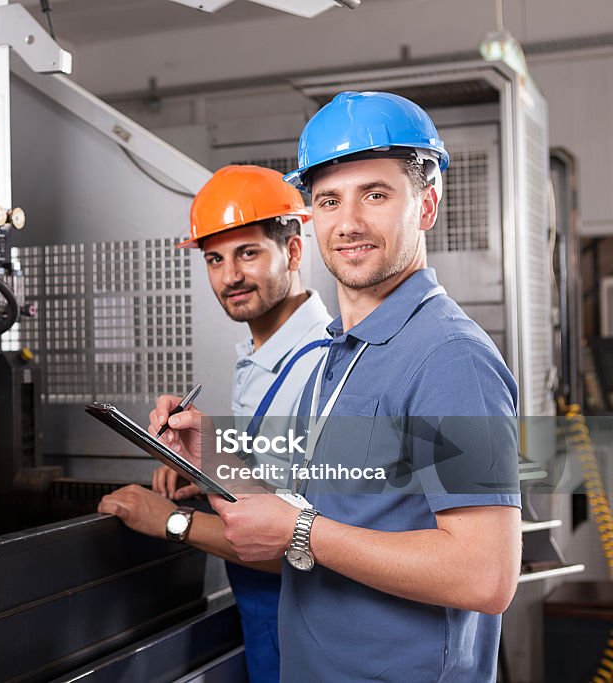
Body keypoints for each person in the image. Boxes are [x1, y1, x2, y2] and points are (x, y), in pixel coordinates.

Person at [162, 91, 522, 681]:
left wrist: (301, 531)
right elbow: (338, 511)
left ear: (426, 205)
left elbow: (484, 575)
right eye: (328, 200)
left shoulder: (449, 357)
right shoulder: (340, 353)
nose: (349, 222)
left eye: (375, 195)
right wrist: (209, 454)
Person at [97, 165, 331, 683]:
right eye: (214, 259)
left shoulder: (319, 367)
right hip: (272, 623)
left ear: (293, 252)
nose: (229, 277)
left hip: (305, 629)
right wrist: (208, 468)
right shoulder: (264, 353)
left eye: (248, 253)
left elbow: (304, 543)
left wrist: (169, 521)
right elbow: (274, 487)